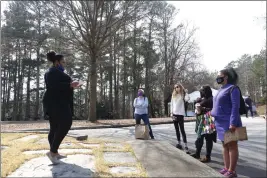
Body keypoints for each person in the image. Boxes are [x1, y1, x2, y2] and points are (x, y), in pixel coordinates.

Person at [43, 51, 80, 164]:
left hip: (59, 102)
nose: (64, 64)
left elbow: (61, 87)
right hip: (55, 103)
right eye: (63, 62)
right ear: (57, 62)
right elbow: (53, 86)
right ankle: (53, 151)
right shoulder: (51, 72)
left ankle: (54, 153)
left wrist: (71, 86)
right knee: (66, 123)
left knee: (54, 128)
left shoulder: (57, 72)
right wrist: (69, 85)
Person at [211, 67, 242, 178]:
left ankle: (232, 171)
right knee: (225, 145)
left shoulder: (233, 89)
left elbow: (235, 107)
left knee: (232, 146)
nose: (218, 77)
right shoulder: (220, 89)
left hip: (229, 121)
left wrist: (233, 123)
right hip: (219, 121)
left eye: (220, 76)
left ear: (226, 77)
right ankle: (226, 168)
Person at [191, 85, 216, 163]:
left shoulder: (212, 99)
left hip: (208, 119)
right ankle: (197, 153)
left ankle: (208, 156)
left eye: (203, 90)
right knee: (200, 137)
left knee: (208, 139)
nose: (201, 92)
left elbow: (214, 110)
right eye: (201, 91)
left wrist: (204, 109)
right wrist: (197, 103)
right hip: (200, 120)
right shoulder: (202, 99)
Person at [170, 84, 190, 153]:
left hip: (180, 114)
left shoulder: (183, 94)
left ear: (180, 87)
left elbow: (187, 99)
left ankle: (186, 145)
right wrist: (171, 113)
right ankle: (179, 143)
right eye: (175, 87)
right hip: (174, 114)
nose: (176, 88)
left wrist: (186, 92)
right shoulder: (173, 95)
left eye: (177, 87)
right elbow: (172, 104)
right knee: (177, 130)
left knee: (182, 130)